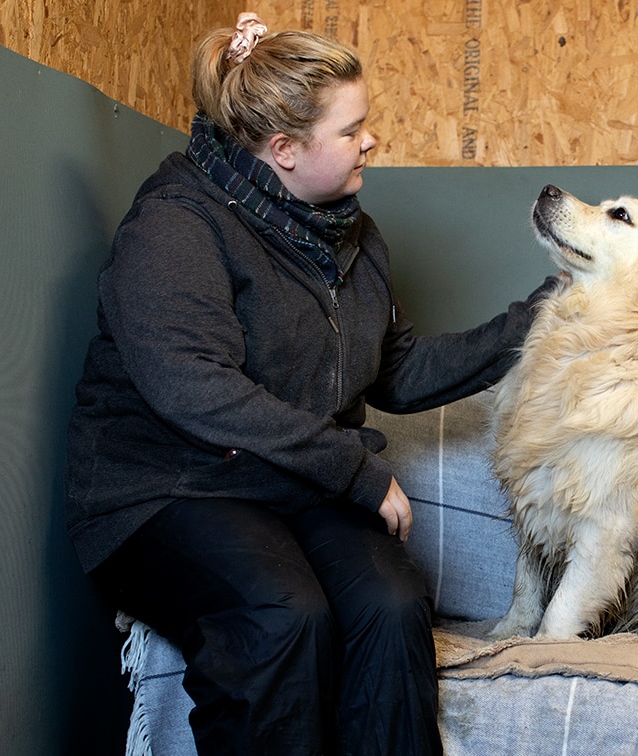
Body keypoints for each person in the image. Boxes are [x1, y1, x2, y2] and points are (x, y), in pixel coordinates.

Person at [65, 14, 555, 755]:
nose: (372, 141)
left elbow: (396, 370)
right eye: (352, 129)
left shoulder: (351, 236)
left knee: (392, 606)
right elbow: (194, 387)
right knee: (282, 614)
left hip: (283, 486)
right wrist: (354, 472)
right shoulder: (176, 227)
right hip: (166, 491)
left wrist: (540, 319)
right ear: (285, 150)